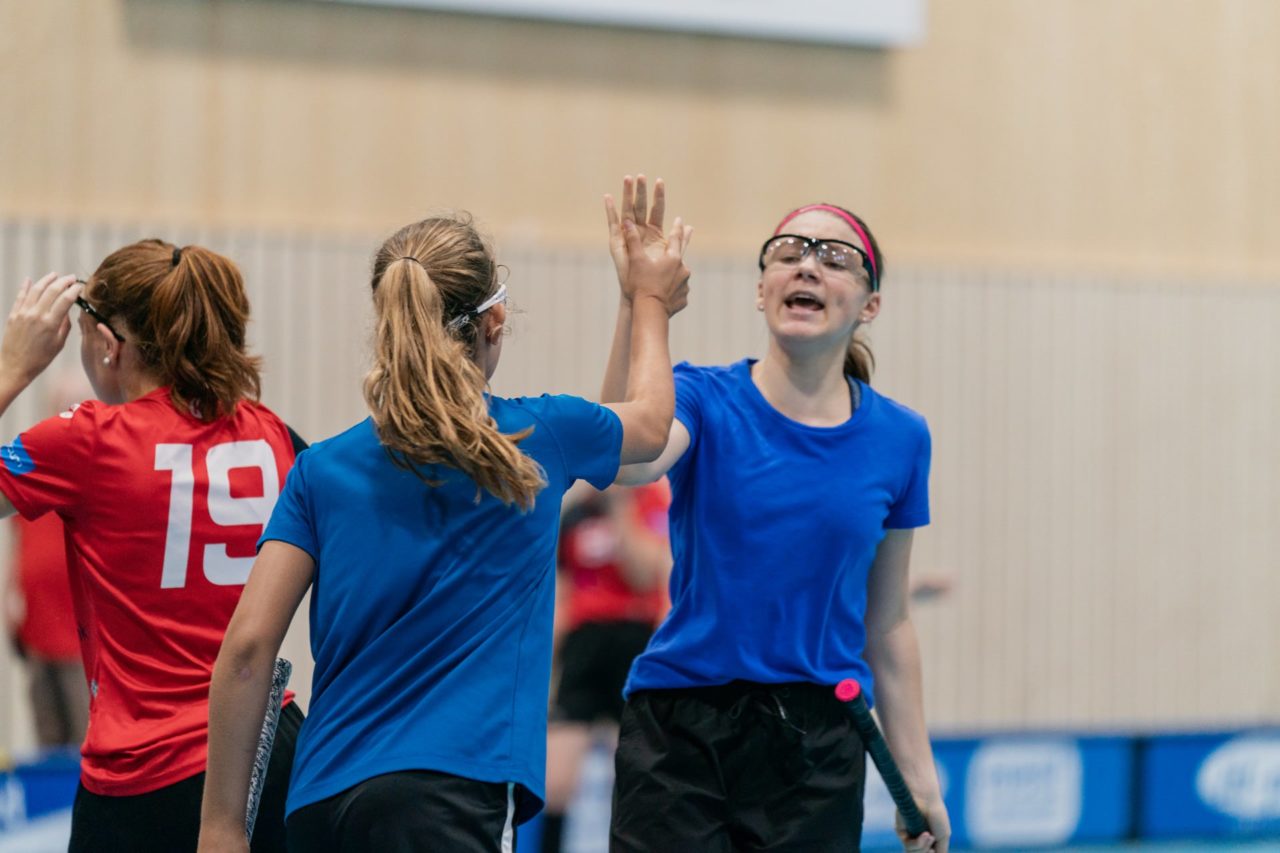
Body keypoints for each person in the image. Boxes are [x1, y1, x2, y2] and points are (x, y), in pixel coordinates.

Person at [198, 201, 691, 853]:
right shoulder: (534, 440)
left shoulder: (321, 468)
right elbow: (648, 422)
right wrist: (651, 300)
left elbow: (247, 648)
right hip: (454, 792)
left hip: (323, 803)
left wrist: (221, 826)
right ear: (495, 321)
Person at [602, 177, 951, 852]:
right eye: (790, 250)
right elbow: (619, 461)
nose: (809, 263)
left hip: (817, 746)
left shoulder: (902, 439)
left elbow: (889, 621)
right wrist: (637, 302)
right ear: (762, 288)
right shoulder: (703, 398)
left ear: (869, 304)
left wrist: (920, 777)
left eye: (835, 256)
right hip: (680, 733)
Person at [0, 241, 304, 852]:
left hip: (148, 769)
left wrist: (13, 366)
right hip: (274, 751)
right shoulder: (273, 434)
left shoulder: (91, 439)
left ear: (109, 346)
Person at [541, 480, 671, 853]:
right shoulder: (577, 514)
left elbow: (645, 574)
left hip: (633, 644)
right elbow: (561, 593)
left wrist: (620, 507)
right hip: (584, 648)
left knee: (633, 774)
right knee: (556, 782)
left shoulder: (651, 503)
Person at [4, 371, 92, 750]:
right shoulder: (33, 471)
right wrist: (10, 600)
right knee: (47, 740)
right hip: (38, 631)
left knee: (83, 739)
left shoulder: (94, 475)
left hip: (80, 637)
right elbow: (19, 545)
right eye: (58, 409)